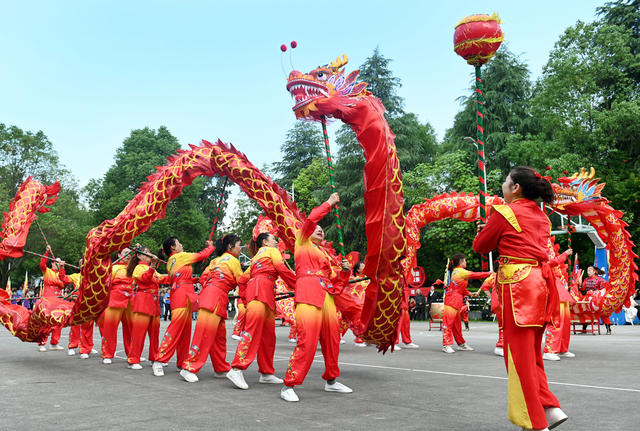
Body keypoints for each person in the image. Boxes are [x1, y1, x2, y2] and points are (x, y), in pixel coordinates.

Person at [473, 166, 568, 431]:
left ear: (516, 188)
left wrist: (484, 230)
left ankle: (535, 422)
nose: (502, 185)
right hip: (539, 284)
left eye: (505, 181)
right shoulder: (541, 216)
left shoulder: (505, 212)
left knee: (517, 358)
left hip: (517, 286)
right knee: (532, 353)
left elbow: (481, 246)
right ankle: (550, 407)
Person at [280, 193, 352, 402]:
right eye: (317, 229)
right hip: (308, 295)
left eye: (322, 230)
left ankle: (331, 381)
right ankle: (289, 385)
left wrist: (345, 272)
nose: (320, 230)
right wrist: (329, 203)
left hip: (326, 298)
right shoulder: (301, 243)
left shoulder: (325, 256)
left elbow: (336, 285)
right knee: (307, 342)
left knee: (332, 340)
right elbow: (312, 219)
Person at [226, 233, 296, 390]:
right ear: (265, 242)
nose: (276, 241)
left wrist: (245, 298)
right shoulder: (271, 251)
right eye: (274, 239)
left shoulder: (256, 257)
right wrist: (299, 284)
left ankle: (266, 372)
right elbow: (282, 269)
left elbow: (243, 280)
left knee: (268, 336)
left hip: (260, 293)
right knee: (252, 332)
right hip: (262, 292)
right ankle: (237, 368)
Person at [180, 234, 243, 383]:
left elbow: (202, 278)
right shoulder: (233, 261)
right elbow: (242, 280)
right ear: (230, 246)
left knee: (218, 337)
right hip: (215, 298)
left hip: (213, 295)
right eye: (239, 245)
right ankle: (189, 367)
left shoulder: (215, 261)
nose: (241, 249)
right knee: (204, 335)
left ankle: (221, 367)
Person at [153, 237, 215, 376]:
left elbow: (181, 278)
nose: (182, 245)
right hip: (181, 295)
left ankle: (181, 362)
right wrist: (211, 247)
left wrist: (195, 279)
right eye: (179, 243)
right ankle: (159, 360)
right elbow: (202, 255)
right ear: (173, 248)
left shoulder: (172, 261)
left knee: (185, 332)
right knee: (175, 329)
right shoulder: (181, 256)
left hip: (184, 293)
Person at [127, 247, 168, 372]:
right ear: (140, 256)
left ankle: (154, 357)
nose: (150, 254)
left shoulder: (152, 269)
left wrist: (178, 273)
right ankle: (133, 359)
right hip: (143, 301)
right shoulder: (139, 268)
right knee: (139, 333)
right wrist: (154, 266)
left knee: (154, 334)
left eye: (151, 251)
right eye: (147, 252)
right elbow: (145, 278)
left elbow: (163, 279)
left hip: (154, 303)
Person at [441, 253, 491, 354]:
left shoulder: (457, 272)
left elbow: (461, 289)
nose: (466, 262)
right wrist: (489, 273)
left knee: (456, 325)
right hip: (452, 300)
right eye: (465, 260)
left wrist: (470, 294)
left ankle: (461, 344)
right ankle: (446, 345)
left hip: (455, 299)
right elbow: (476, 275)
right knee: (448, 323)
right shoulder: (460, 271)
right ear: (460, 261)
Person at [100, 248, 134, 365]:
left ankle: (132, 354)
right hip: (115, 300)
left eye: (130, 253)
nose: (128, 255)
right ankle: (107, 354)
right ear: (119, 254)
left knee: (131, 328)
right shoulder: (113, 268)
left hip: (131, 300)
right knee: (110, 328)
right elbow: (105, 285)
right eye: (126, 253)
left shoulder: (134, 268)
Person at [543, 248, 576, 361]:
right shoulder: (541, 250)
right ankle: (550, 350)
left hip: (560, 290)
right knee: (555, 322)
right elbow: (550, 262)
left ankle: (562, 348)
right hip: (552, 290)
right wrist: (565, 254)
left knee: (565, 323)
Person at [37, 245, 71, 352]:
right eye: (57, 262)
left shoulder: (61, 274)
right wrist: (46, 252)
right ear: (52, 263)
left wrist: (62, 267)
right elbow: (42, 264)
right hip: (48, 298)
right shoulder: (47, 271)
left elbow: (64, 281)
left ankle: (54, 343)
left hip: (58, 299)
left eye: (60, 262)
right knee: (46, 322)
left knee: (58, 321)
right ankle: (42, 343)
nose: (58, 264)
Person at [66, 259, 98, 359]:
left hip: (88, 304)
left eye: (85, 262)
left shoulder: (92, 275)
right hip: (77, 303)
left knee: (88, 326)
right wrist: (62, 267)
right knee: (75, 326)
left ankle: (87, 346)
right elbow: (63, 279)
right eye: (81, 263)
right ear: (79, 266)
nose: (83, 264)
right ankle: (72, 346)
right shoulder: (75, 276)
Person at [582, 266, 612, 334]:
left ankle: (608, 328)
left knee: (603, 313)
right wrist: (580, 282)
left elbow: (604, 289)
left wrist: (596, 293)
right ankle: (584, 329)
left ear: (594, 272)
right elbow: (582, 288)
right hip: (588, 298)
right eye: (587, 271)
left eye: (590, 271)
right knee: (585, 312)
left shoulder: (599, 279)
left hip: (597, 299)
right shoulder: (586, 279)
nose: (588, 272)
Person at [395, 277, 419, 349]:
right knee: (397, 322)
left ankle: (407, 341)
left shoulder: (406, 273)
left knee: (406, 322)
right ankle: (392, 342)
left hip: (403, 299)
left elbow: (410, 280)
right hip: (397, 297)